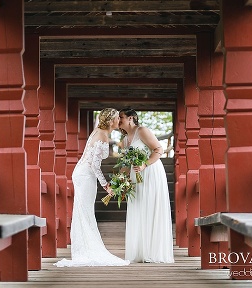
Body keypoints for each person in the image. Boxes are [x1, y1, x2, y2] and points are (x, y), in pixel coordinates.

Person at [55, 108, 129, 267]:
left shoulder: (99, 131)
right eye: (117, 118)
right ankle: (85, 251)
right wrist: (106, 185)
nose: (119, 120)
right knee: (85, 212)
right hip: (86, 176)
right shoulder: (102, 135)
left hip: (82, 173)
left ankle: (84, 249)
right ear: (111, 121)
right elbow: (95, 165)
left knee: (84, 212)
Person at [119, 108, 174, 263]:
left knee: (150, 208)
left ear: (131, 118)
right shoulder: (124, 140)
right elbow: (125, 163)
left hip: (150, 172)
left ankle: (153, 251)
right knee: (138, 208)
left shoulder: (142, 131)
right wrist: (119, 180)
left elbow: (159, 149)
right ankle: (141, 252)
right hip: (135, 176)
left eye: (121, 117)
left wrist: (144, 165)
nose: (118, 120)